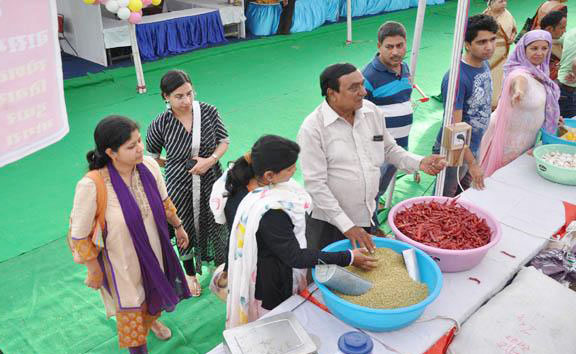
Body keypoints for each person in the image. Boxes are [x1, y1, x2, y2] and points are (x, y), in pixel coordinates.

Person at [209, 135, 378, 328]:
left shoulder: (238, 179)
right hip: (269, 278)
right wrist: (347, 257)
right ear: (269, 175)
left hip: (252, 259)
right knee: (273, 321)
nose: (295, 170)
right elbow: (295, 257)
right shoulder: (271, 212)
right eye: (289, 168)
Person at [69, 116, 191, 353]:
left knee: (154, 294)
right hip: (122, 263)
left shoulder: (149, 166)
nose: (140, 148)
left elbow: (164, 202)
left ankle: (152, 321)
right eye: (131, 146)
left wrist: (178, 226)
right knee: (132, 312)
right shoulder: (92, 185)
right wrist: (93, 269)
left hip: (155, 251)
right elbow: (80, 235)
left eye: (139, 140)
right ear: (111, 152)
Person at [298, 63, 447, 253]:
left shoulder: (371, 112)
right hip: (329, 222)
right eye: (354, 88)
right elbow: (315, 185)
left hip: (365, 216)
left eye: (362, 85)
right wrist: (347, 226)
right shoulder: (313, 129)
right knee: (327, 272)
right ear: (331, 93)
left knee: (361, 273)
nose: (363, 92)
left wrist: (419, 162)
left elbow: (390, 149)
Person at [146, 70, 230, 297]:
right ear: (166, 97)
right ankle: (190, 274)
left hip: (211, 178)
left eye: (189, 93)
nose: (186, 101)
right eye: (179, 96)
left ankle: (221, 268)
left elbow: (224, 141)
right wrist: (175, 164)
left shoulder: (209, 112)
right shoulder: (159, 124)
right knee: (182, 226)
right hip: (178, 184)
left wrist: (209, 160)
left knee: (216, 222)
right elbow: (152, 158)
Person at [479, 30, 561, 176]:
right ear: (523, 50)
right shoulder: (519, 73)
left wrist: (551, 115)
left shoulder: (540, 72)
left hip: (524, 140)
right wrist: (519, 92)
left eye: (544, 48)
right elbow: (519, 81)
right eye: (534, 48)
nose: (540, 53)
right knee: (497, 178)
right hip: (508, 141)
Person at [362, 21, 420, 228]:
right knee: (370, 191)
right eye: (389, 46)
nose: (396, 52)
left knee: (380, 188)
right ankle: (369, 228)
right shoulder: (367, 77)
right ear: (379, 46)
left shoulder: (404, 68)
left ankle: (371, 220)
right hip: (379, 150)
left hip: (399, 146)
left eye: (400, 45)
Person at [432, 14, 496, 197]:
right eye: (482, 42)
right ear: (467, 44)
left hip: (472, 146)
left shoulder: (484, 63)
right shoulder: (456, 78)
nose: (489, 47)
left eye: (492, 39)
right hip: (454, 150)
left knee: (463, 192)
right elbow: (455, 129)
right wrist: (473, 163)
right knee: (445, 196)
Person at [484, 0, 517, 110]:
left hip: (502, 55)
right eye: (500, 1)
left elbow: (514, 29)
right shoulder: (484, 16)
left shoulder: (508, 14)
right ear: (491, 3)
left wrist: (511, 37)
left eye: (505, 1)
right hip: (487, 54)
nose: (504, 4)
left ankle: (495, 105)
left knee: (498, 80)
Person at [540, 10, 567, 80]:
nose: (565, 31)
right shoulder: (540, 48)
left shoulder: (554, 41)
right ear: (549, 29)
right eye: (562, 28)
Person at [558, 28, 576, 118]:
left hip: (561, 83)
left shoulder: (571, 32)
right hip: (572, 89)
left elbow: (554, 40)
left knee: (560, 125)